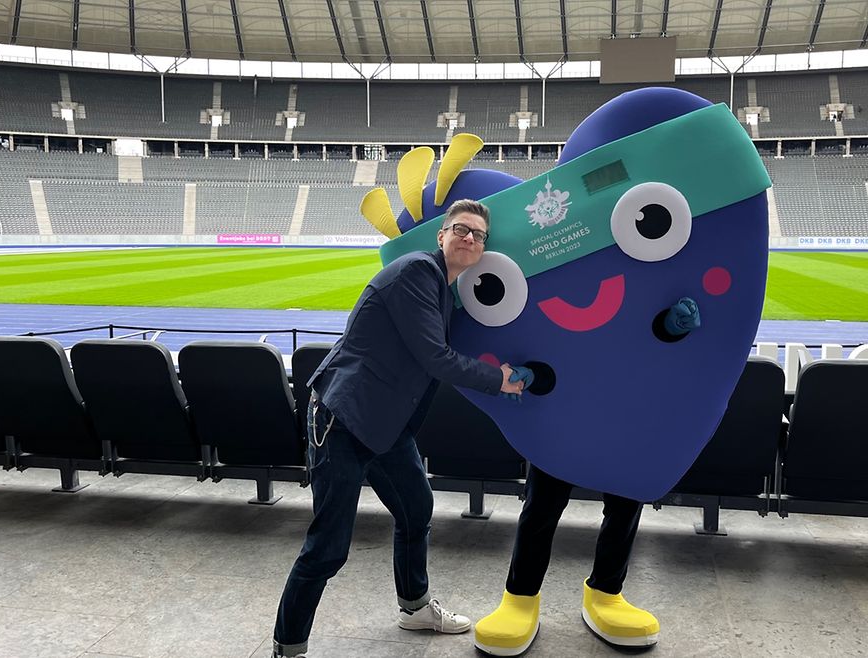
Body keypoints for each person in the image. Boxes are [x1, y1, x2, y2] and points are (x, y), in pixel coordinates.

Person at [271, 199, 532, 658]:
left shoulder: (441, 289)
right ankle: (287, 648)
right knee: (328, 548)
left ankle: (414, 608)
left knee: (416, 507)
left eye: (478, 235)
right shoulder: (417, 272)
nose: (469, 238)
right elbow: (435, 357)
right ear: (442, 235)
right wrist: (500, 380)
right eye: (460, 229)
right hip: (343, 420)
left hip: (385, 425)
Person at [474, 299, 701, 657]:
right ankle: (520, 596)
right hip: (563, 417)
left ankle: (606, 592)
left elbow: (638, 327)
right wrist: (533, 375)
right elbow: (549, 335)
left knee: (625, 504)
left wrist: (667, 328)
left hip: (627, 410)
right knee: (542, 507)